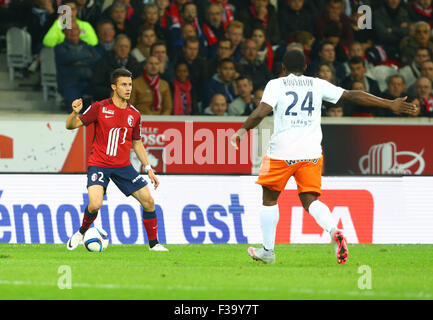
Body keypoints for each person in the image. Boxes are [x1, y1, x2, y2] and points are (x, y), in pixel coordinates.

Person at [229, 49, 417, 264]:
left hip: (281, 152)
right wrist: (388, 103)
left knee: (269, 199)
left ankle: (268, 252)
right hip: (311, 152)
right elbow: (352, 95)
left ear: (283, 68)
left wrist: (241, 131)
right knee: (310, 199)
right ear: (306, 68)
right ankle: (333, 230)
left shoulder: (276, 84)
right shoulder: (317, 84)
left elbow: (261, 112)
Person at [65, 68, 168, 252]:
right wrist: (74, 113)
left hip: (123, 166)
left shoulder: (134, 114)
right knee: (95, 204)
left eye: (130, 84)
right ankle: (81, 232)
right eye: (123, 85)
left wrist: (148, 168)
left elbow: (137, 143)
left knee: (149, 201)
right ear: (114, 87)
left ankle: (154, 245)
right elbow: (71, 126)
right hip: (99, 163)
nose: (128, 88)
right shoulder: (99, 107)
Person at [55, 20, 101, 112]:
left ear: (79, 31)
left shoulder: (88, 46)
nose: (73, 31)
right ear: (64, 32)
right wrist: (87, 55)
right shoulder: (60, 47)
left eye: (75, 29)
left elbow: (97, 59)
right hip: (70, 84)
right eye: (69, 29)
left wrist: (80, 62)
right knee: (75, 111)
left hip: (90, 82)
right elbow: (68, 57)